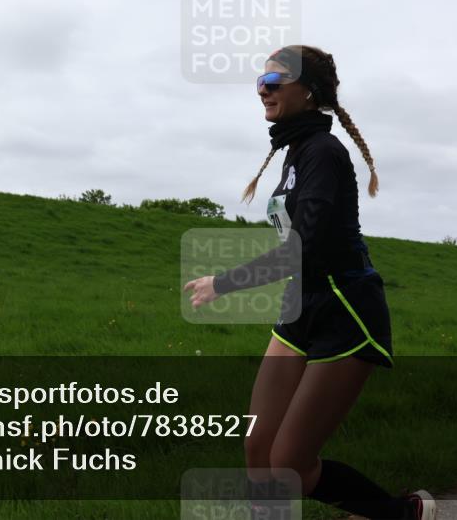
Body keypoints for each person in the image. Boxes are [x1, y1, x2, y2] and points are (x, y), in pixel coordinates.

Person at [184, 45, 436, 520]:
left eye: (275, 81)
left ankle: (401, 515)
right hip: (299, 307)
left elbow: (305, 247)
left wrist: (223, 283)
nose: (264, 90)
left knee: (289, 463)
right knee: (258, 446)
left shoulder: (324, 152)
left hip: (346, 311)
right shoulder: (295, 150)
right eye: (261, 82)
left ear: (309, 91)